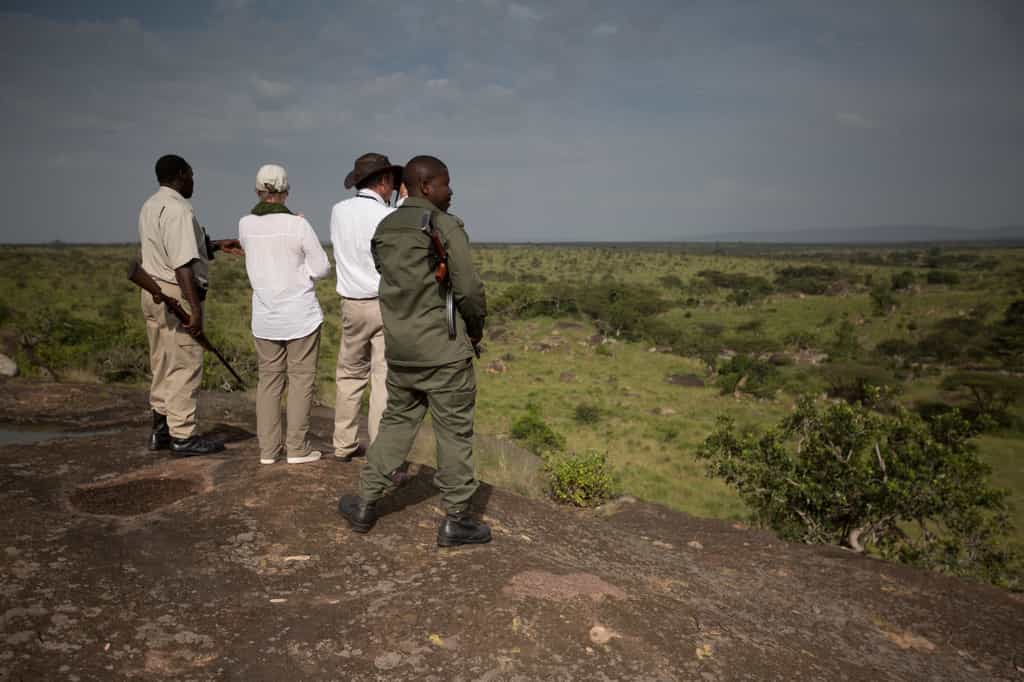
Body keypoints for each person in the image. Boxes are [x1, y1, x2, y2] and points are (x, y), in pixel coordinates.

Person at [339, 155, 490, 547]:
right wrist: (474, 333)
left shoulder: (386, 227)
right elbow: (469, 291)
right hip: (443, 350)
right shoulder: (443, 225)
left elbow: (387, 277)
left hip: (401, 349)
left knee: (395, 423)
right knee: (454, 433)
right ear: (426, 187)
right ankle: (457, 519)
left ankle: (365, 503)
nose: (450, 190)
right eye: (445, 183)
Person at [139, 154, 243, 455]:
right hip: (175, 292)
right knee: (185, 362)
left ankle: (161, 431)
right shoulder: (180, 210)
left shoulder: (150, 205)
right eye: (192, 175)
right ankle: (183, 436)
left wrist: (214, 245)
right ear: (181, 174)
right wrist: (194, 310)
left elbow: (170, 248)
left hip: (153, 292)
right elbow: (183, 265)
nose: (194, 181)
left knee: (161, 361)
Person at [238, 164, 331, 465]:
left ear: (258, 191)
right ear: (286, 192)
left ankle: (268, 451)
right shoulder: (298, 225)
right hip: (299, 314)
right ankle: (297, 448)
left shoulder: (245, 225)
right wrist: (300, 273)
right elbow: (321, 267)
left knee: (269, 382)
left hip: (265, 316)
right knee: (301, 380)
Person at [328, 153, 403, 462]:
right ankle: (380, 450)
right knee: (383, 378)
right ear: (384, 181)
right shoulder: (388, 215)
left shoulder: (338, 210)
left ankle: (343, 443)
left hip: (351, 304)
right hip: (384, 303)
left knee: (349, 374)